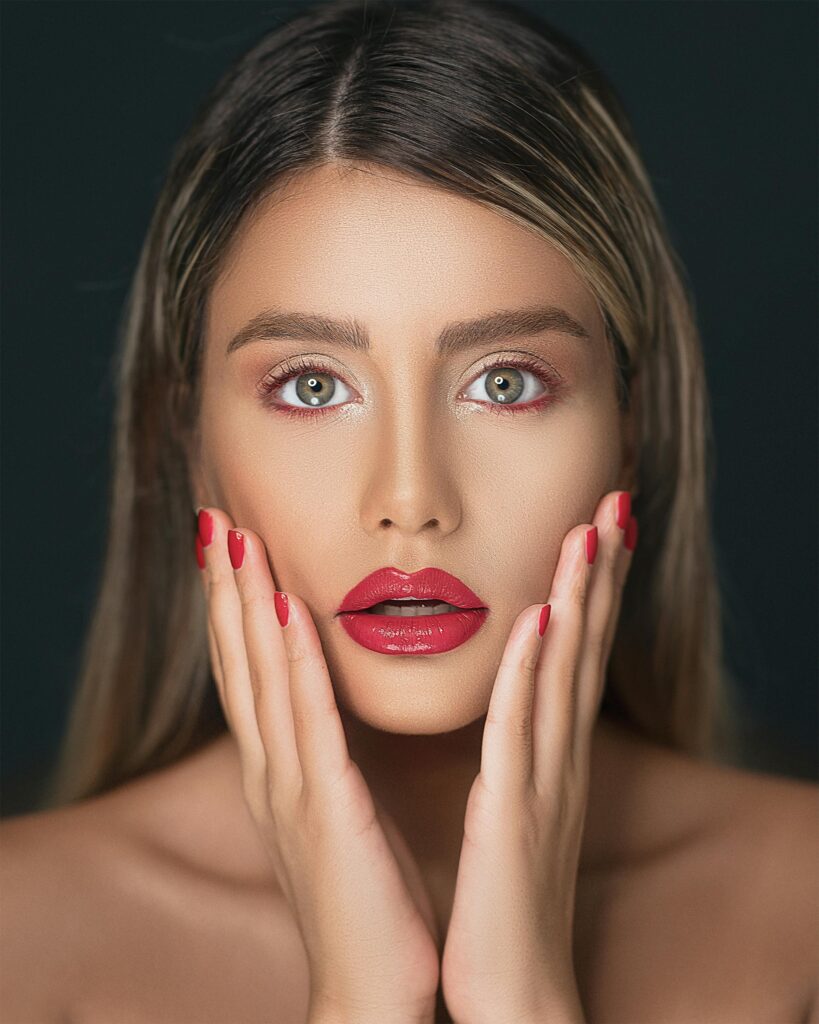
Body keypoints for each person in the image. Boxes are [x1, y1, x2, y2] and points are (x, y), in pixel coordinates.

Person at [1, 0, 816, 1021]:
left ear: (632, 428)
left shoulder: (804, 919)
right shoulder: (17, 937)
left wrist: (523, 999)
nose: (411, 500)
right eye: (311, 385)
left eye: (507, 382)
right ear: (190, 441)